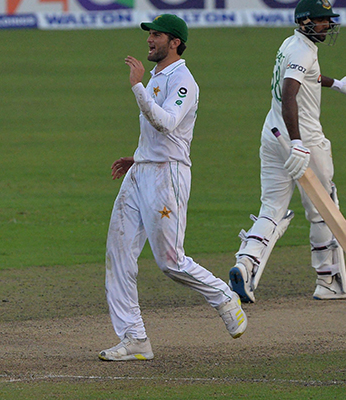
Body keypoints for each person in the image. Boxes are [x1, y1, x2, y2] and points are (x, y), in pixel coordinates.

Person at [99, 14, 247, 362]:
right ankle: (134, 338)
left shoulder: (183, 80)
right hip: (142, 172)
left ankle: (224, 297)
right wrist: (138, 157)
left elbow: (167, 124)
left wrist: (136, 86)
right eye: (150, 34)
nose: (150, 40)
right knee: (118, 255)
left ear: (175, 42)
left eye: (157, 35)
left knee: (170, 262)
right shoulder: (157, 75)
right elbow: (156, 135)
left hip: (168, 177)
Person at [228, 0, 346, 304]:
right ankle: (328, 281)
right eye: (322, 20)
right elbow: (289, 92)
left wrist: (337, 84)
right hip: (304, 141)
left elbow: (307, 78)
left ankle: (246, 265)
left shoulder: (291, 44)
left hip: (272, 135)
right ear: (306, 21)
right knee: (323, 208)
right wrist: (298, 141)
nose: (328, 25)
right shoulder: (303, 50)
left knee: (272, 208)